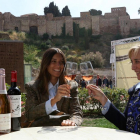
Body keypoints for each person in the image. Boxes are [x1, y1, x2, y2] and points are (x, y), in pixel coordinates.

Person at [87, 46, 140, 135]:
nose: (133, 67)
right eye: (132, 62)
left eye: (137, 61)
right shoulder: (135, 91)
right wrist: (103, 99)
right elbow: (125, 124)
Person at [25, 48, 83, 127]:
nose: (58, 66)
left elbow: (77, 113)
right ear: (46, 64)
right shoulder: (32, 87)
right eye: (54, 61)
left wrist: (72, 122)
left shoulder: (71, 86)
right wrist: (54, 100)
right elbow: (30, 115)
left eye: (61, 62)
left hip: (63, 132)